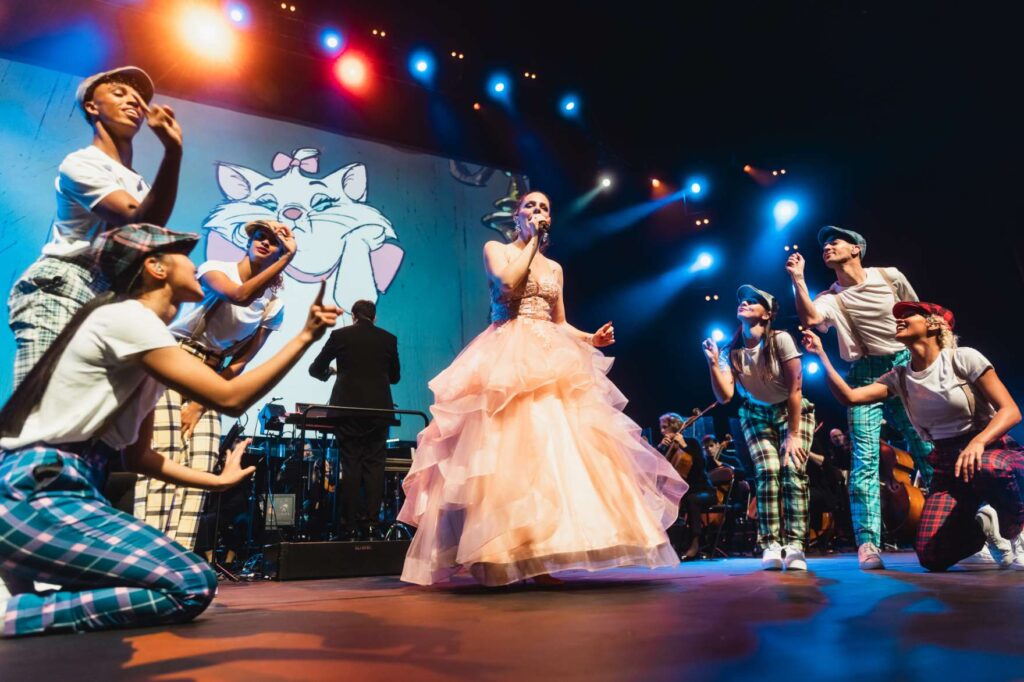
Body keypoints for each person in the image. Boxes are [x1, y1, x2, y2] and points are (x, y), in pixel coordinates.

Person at [0, 224, 338, 637]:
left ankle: (21, 595)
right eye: (182, 255)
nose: (193, 266)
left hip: (65, 486)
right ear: (155, 268)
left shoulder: (145, 347)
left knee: (169, 580)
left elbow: (138, 458)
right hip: (36, 486)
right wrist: (304, 337)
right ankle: (14, 613)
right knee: (191, 585)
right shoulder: (128, 318)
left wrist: (216, 482)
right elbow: (229, 397)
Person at [397, 190, 686, 586]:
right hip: (507, 353)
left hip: (549, 357)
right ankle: (498, 553)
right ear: (517, 217)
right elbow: (507, 286)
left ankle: (540, 555)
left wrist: (590, 339)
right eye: (530, 207)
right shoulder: (495, 249)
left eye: (545, 208)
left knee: (551, 454)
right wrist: (532, 242)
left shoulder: (555, 268)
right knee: (503, 455)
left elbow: (559, 321)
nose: (538, 212)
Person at [802, 301, 1024, 572]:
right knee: (931, 555)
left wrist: (978, 441)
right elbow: (850, 397)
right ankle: (983, 527)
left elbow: (1011, 411)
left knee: (992, 468)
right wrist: (821, 355)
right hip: (947, 463)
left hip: (990, 447)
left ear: (934, 324)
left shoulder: (962, 358)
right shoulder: (901, 376)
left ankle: (1017, 533)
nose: (900, 319)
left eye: (909, 315)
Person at [8, 66, 184, 388]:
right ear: (92, 107)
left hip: (107, 298)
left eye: (139, 99)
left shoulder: (142, 186)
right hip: (65, 284)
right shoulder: (82, 162)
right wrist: (172, 153)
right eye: (119, 93)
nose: (134, 101)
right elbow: (139, 222)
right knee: (40, 411)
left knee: (84, 425)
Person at [134, 219, 295, 551]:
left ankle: (175, 561)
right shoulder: (215, 269)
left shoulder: (272, 306)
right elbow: (237, 295)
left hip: (210, 374)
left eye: (273, 241)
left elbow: (240, 361)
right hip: (174, 359)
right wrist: (284, 259)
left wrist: (199, 404)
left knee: (202, 463)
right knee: (165, 457)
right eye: (260, 236)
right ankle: (144, 556)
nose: (264, 242)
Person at [786, 225, 933, 570]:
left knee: (925, 448)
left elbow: (918, 314)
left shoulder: (889, 276)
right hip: (866, 372)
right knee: (864, 460)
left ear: (856, 249)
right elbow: (810, 317)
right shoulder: (831, 297)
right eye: (824, 244)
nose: (827, 247)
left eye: (835, 241)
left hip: (905, 365)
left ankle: (966, 528)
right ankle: (868, 543)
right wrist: (798, 279)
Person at [703, 284, 814, 571]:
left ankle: (795, 545)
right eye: (742, 301)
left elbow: (795, 389)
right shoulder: (732, 349)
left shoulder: (781, 340)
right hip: (755, 413)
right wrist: (714, 364)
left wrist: (792, 434)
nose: (745, 304)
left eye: (754, 302)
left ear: (767, 315)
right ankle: (771, 544)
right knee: (767, 471)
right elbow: (725, 396)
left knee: (792, 470)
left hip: (792, 410)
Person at [309, 299, 400, 540]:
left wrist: (331, 372)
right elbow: (395, 376)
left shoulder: (340, 336)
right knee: (374, 466)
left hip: (348, 410)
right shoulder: (388, 339)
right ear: (375, 317)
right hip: (379, 413)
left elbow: (315, 369)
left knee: (350, 466)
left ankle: (347, 526)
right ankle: (371, 524)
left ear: (353, 316)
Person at [659, 413, 715, 560]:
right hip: (682, 493)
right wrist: (660, 449)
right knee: (662, 502)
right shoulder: (668, 448)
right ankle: (668, 545)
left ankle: (695, 543)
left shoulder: (691, 443)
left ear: (674, 427)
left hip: (703, 491)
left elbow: (701, 465)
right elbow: (659, 468)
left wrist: (683, 446)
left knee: (691, 499)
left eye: (665, 427)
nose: (662, 431)